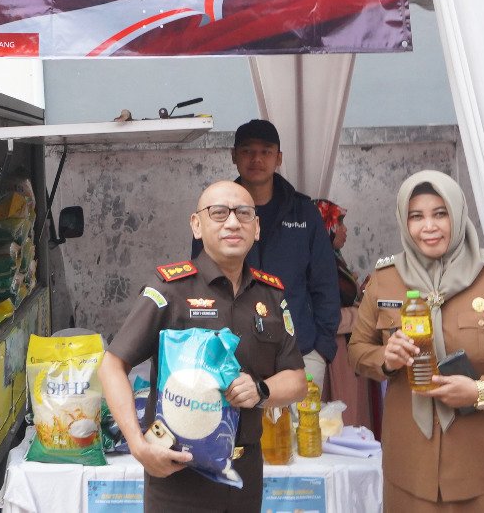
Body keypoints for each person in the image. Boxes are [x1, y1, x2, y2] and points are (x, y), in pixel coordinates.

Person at [351, 171, 484, 511]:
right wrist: (385, 359)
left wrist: (481, 390)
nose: (429, 226)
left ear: (458, 214)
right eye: (416, 216)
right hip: (413, 471)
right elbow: (358, 351)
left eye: (440, 213)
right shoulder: (385, 280)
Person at [101, 181, 308, 512]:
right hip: (179, 477)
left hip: (244, 475)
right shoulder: (170, 290)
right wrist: (138, 445)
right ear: (196, 225)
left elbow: (297, 380)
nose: (232, 223)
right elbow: (112, 364)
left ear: (256, 228)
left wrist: (261, 390)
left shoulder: (270, 296)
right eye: (219, 213)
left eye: (243, 213)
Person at [195, 118, 340, 388]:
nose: (257, 159)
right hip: (232, 356)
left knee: (299, 418)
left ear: (279, 158)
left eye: (266, 151)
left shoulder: (304, 213)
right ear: (234, 156)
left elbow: (325, 283)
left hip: (300, 353)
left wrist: (322, 348)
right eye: (247, 151)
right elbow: (200, 283)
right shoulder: (215, 213)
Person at [317, 199, 372, 426]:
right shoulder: (319, 265)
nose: (345, 229)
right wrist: (362, 312)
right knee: (341, 416)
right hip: (334, 351)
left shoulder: (334, 259)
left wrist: (361, 292)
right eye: (339, 223)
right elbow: (324, 314)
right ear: (326, 227)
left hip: (348, 346)